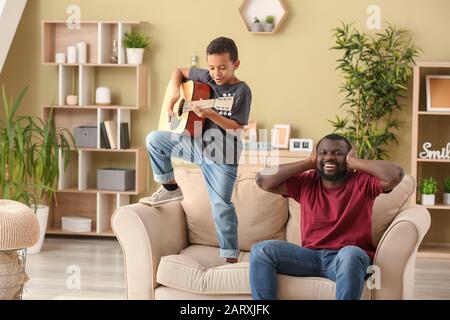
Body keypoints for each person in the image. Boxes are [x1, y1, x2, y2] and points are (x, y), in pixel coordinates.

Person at [250, 133, 404, 299]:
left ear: (348, 156)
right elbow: (262, 180)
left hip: (345, 260)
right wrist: (308, 163)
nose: (329, 157)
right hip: (309, 257)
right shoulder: (306, 182)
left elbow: (396, 174)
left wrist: (354, 162)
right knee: (261, 250)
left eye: (338, 153)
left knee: (351, 253)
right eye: (323, 153)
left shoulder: (363, 182)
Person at [139, 37, 252, 263]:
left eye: (222, 67)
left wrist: (212, 115)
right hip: (195, 144)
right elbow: (178, 71)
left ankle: (229, 255)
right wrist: (174, 94)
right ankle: (170, 188)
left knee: (221, 205)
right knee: (154, 139)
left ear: (235, 64)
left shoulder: (241, 91)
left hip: (223, 155)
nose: (216, 73)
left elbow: (236, 126)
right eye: (212, 67)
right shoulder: (206, 77)